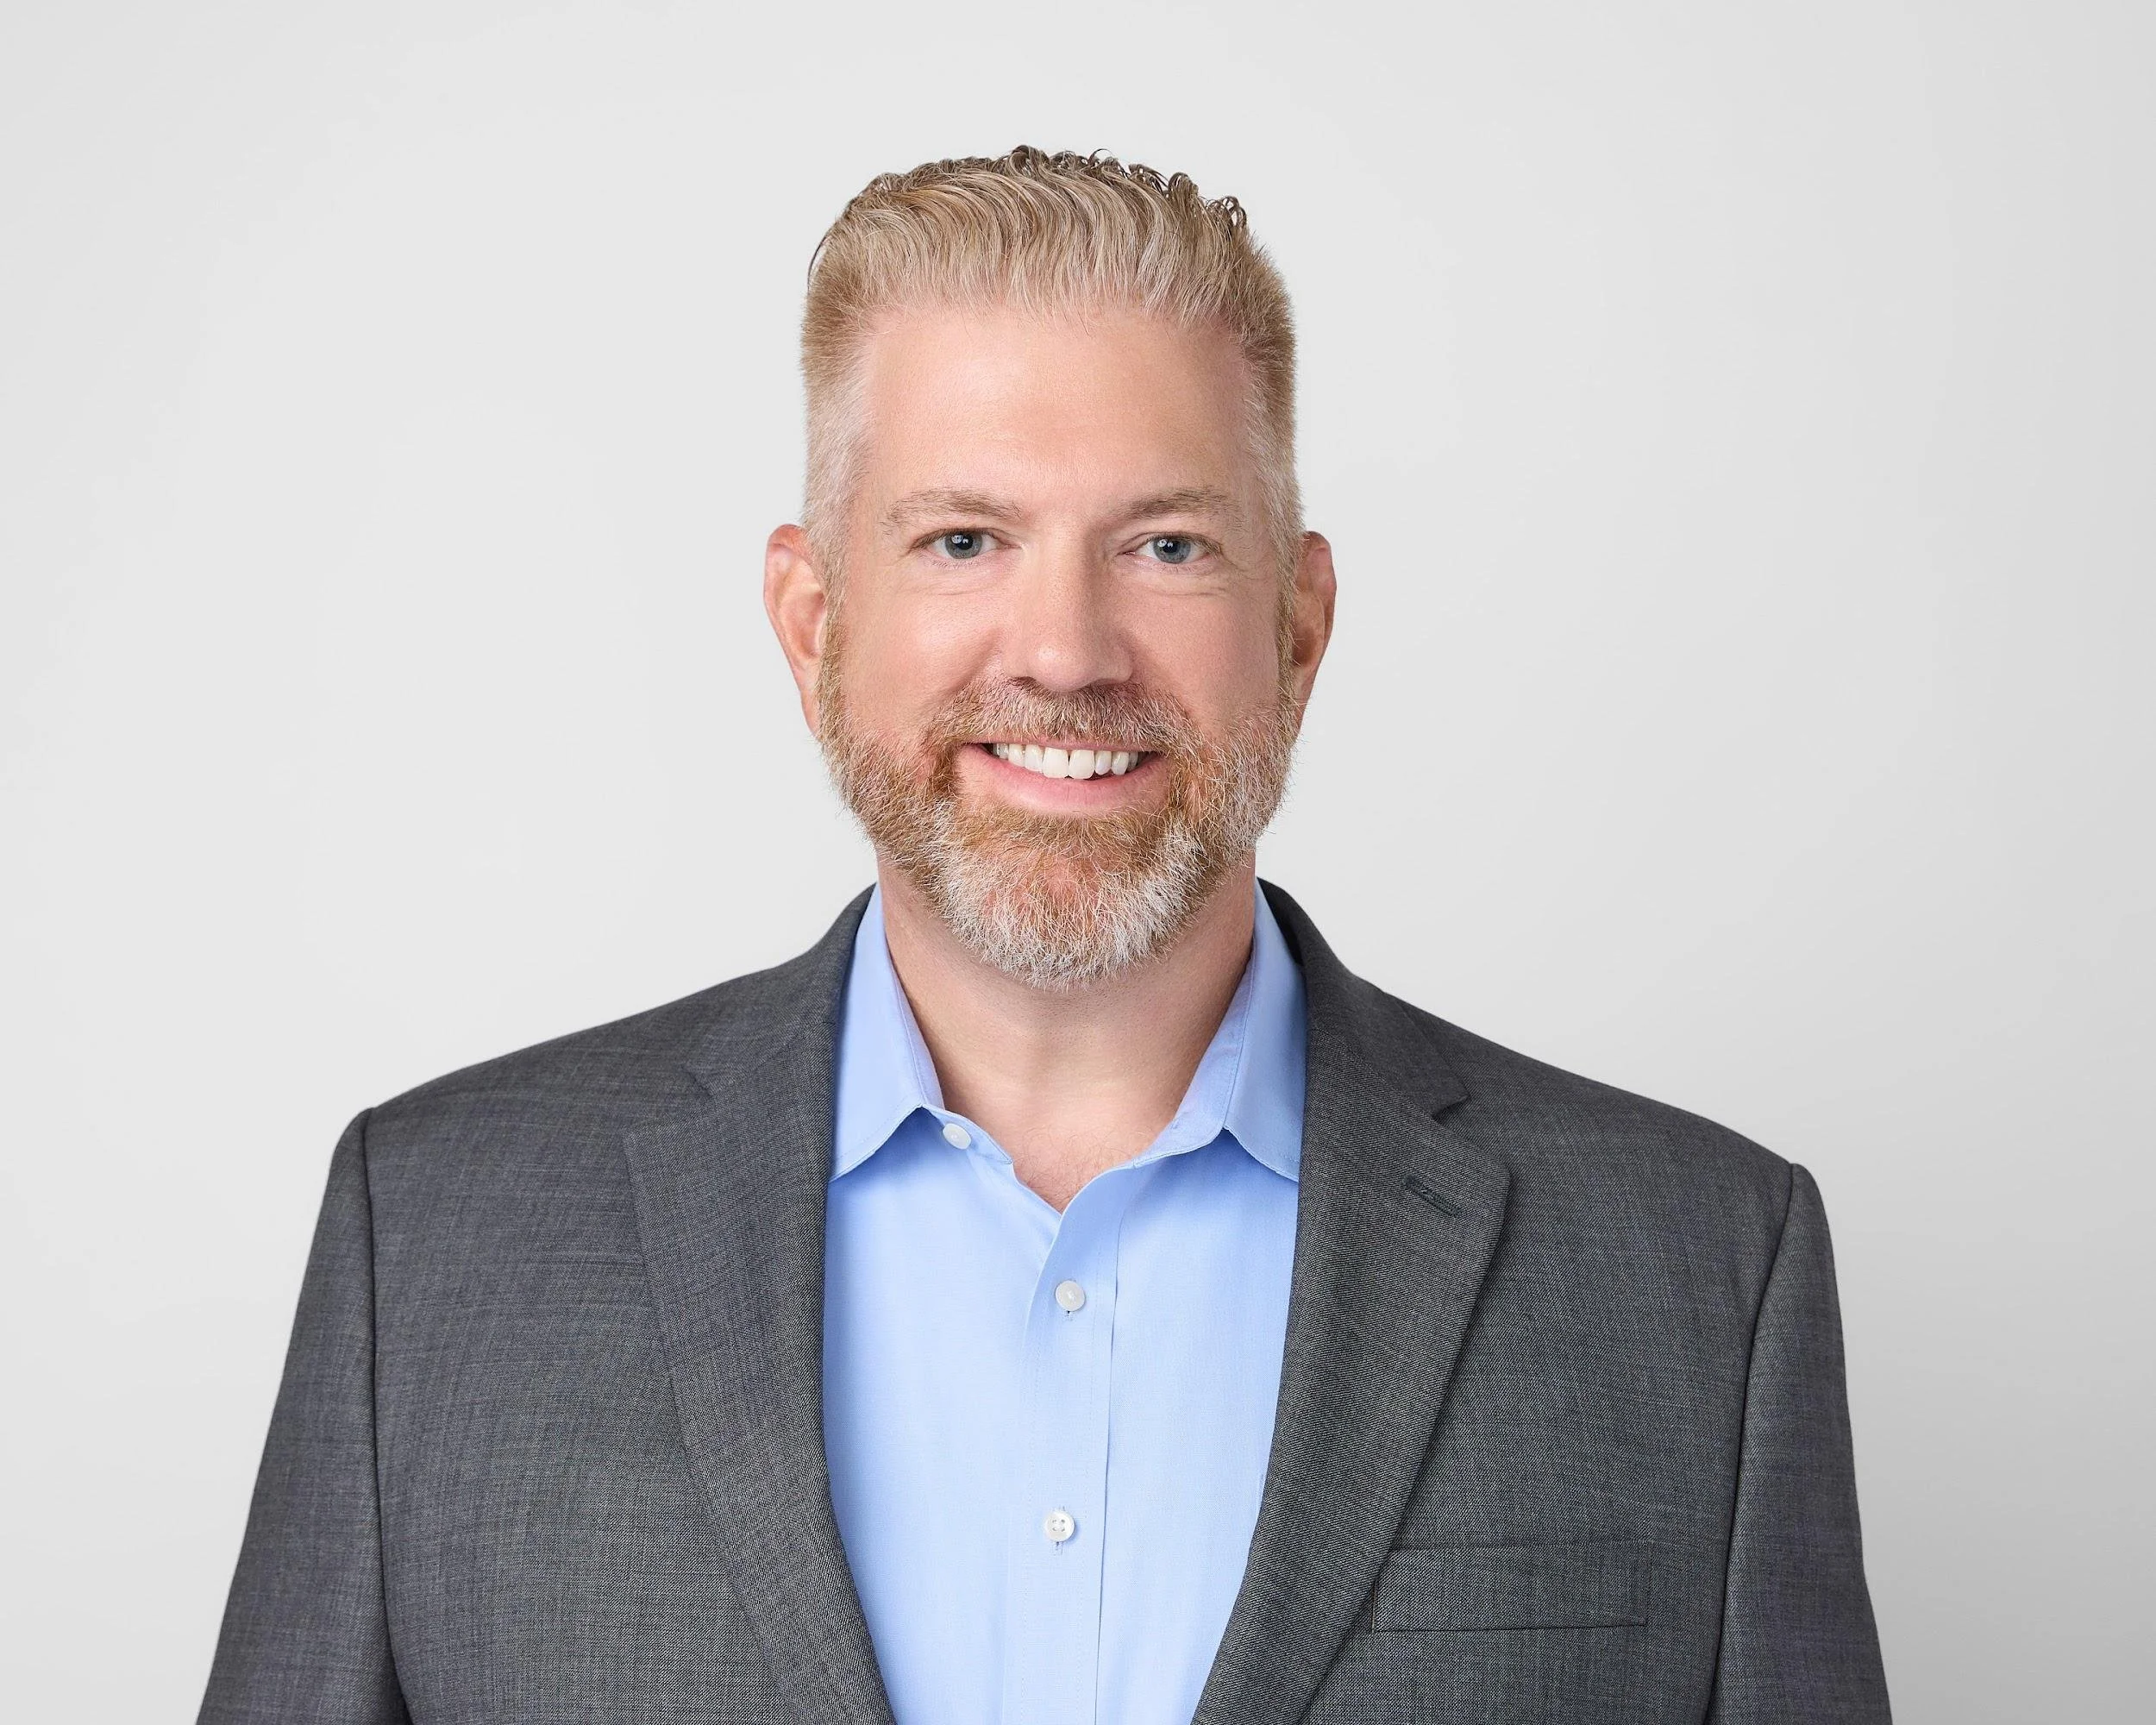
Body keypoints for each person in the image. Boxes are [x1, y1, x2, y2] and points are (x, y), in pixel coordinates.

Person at [199, 147, 1890, 1725]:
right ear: (812, 621)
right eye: (961, 540)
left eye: (1164, 544)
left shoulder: (1697, 1269)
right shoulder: (431, 1240)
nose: (1067, 652)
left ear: (1296, 627)